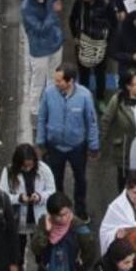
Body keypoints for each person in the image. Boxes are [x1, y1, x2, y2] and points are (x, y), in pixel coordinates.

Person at [37, 64, 99, 220]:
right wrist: (41, 141)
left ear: (70, 81)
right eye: (55, 80)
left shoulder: (84, 96)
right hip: (54, 147)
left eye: (59, 81)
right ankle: (58, 210)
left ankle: (80, 210)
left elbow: (91, 122)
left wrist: (93, 145)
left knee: (80, 179)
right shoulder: (48, 93)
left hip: (77, 147)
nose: (55, 83)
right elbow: (42, 118)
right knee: (54, 181)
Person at [0, 143, 57, 271]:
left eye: (30, 165)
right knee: (17, 249)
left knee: (41, 248)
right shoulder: (8, 172)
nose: (27, 169)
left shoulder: (44, 170)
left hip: (38, 220)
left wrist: (40, 197)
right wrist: (19, 198)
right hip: (18, 220)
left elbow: (52, 190)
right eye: (24, 166)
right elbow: (3, 195)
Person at [101, 69, 136, 186]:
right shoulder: (117, 100)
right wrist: (104, 143)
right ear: (128, 86)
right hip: (125, 151)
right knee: (125, 183)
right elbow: (105, 122)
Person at [23, 0, 65, 119]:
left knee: (54, 78)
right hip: (39, 50)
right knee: (38, 82)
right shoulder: (26, 8)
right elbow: (40, 29)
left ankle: (51, 106)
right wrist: (53, 12)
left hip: (55, 44)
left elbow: (54, 22)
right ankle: (34, 111)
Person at [69, 0, 115, 101]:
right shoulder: (79, 3)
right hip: (83, 43)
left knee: (100, 73)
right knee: (84, 73)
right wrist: (75, 36)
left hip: (100, 44)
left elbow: (114, 24)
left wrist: (108, 41)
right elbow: (72, 19)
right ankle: (84, 98)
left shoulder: (106, 5)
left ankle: (100, 99)